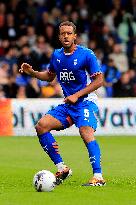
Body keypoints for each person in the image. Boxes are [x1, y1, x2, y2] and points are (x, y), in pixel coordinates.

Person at [19, 21, 106, 186]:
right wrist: (32, 73)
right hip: (68, 104)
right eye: (62, 33)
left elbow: (99, 80)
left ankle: (98, 176)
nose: (66, 36)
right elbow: (50, 76)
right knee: (41, 126)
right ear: (59, 37)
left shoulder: (86, 54)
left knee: (85, 131)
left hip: (85, 102)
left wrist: (77, 95)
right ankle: (62, 168)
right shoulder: (56, 55)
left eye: (69, 33)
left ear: (75, 36)